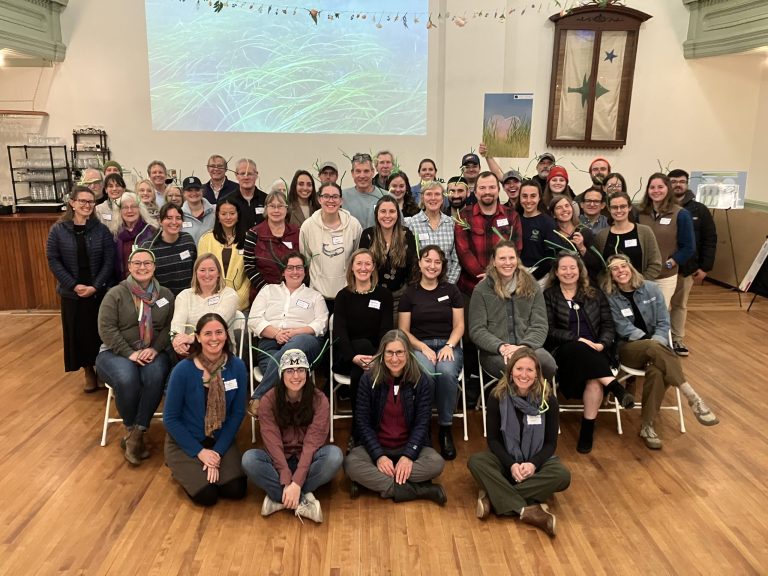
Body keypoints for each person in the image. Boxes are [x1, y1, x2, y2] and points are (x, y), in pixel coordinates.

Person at [601, 254, 719, 449]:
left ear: (631, 269)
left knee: (657, 371)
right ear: (611, 275)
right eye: (615, 269)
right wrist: (652, 343)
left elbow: (664, 322)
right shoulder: (610, 296)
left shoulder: (651, 289)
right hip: (629, 348)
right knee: (654, 349)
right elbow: (623, 328)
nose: (621, 271)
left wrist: (657, 342)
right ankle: (692, 396)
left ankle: (647, 426)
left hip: (657, 346)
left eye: (624, 266)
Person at [467, 348, 571, 537]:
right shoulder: (496, 397)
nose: (524, 375)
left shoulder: (549, 400)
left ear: (537, 373)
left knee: (562, 475)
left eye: (529, 370)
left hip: (535, 464)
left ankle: (495, 497)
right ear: (510, 371)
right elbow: (493, 440)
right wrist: (512, 464)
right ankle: (528, 510)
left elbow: (550, 444)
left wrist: (533, 464)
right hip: (506, 461)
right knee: (477, 462)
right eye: (519, 369)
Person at [543, 253, 634, 454]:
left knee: (594, 381)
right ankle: (616, 388)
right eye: (563, 268)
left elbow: (608, 325)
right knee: (577, 347)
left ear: (580, 270)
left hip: (597, 352)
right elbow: (548, 330)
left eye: (572, 267)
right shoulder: (549, 296)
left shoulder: (594, 293)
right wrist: (576, 339)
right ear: (556, 273)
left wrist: (602, 343)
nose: (569, 272)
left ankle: (587, 428)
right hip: (565, 351)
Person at [344, 330, 447, 505]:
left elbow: (422, 424)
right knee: (351, 464)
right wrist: (378, 456)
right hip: (376, 448)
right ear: (382, 354)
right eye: (389, 353)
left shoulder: (421, 380)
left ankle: (377, 484)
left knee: (436, 463)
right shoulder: (368, 379)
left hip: (408, 447)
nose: (394, 358)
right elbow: (362, 423)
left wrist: (408, 456)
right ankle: (420, 490)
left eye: (400, 352)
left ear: (408, 353)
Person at [242, 349, 343, 523]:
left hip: (308, 459)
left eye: (300, 370)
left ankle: (280, 498)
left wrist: (296, 483)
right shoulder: (268, 400)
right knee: (249, 459)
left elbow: (312, 444)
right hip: (278, 460)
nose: (295, 376)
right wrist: (287, 478)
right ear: (281, 374)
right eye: (290, 370)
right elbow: (272, 443)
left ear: (307, 372)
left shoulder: (320, 400)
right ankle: (302, 501)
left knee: (334, 456)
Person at [96, 247, 174, 465]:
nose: (142, 267)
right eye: (137, 263)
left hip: (152, 352)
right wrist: (130, 353)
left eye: (147, 263)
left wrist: (155, 349)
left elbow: (170, 328)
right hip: (115, 353)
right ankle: (132, 429)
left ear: (154, 267)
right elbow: (106, 329)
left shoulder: (165, 295)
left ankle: (137, 433)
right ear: (129, 267)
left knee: (155, 376)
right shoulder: (116, 294)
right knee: (127, 379)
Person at [163, 313, 248, 506]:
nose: (214, 338)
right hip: (186, 440)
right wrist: (200, 452)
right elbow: (170, 419)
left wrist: (216, 452)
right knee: (207, 496)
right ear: (198, 337)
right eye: (207, 333)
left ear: (226, 335)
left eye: (219, 332)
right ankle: (178, 463)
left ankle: (207, 465)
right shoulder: (182, 370)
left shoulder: (237, 367)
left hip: (219, 438)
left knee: (236, 489)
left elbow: (237, 414)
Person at [398, 245, 464, 460]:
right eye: (428, 261)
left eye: (437, 262)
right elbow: (403, 331)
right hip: (420, 345)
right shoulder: (410, 293)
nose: (432, 266)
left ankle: (445, 427)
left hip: (448, 344)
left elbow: (459, 326)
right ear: (419, 263)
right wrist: (423, 347)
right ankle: (423, 426)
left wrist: (449, 346)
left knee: (445, 373)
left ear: (442, 265)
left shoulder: (451, 290)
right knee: (426, 374)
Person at [46, 186, 114, 392]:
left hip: (97, 290)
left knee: (99, 333)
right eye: (82, 201)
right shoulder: (58, 230)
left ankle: (102, 370)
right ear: (72, 203)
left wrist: (95, 286)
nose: (86, 205)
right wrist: (74, 285)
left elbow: (108, 259)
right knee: (79, 334)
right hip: (72, 293)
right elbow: (53, 259)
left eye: (90, 202)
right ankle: (88, 371)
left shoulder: (100, 229)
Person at [247, 252, 328, 414]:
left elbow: (322, 324)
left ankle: (258, 397)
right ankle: (290, 419)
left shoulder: (315, 296)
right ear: (283, 272)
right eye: (290, 268)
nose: (295, 272)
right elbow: (254, 319)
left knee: (292, 350)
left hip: (304, 343)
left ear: (305, 272)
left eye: (299, 268)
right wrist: (276, 333)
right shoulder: (268, 291)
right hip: (269, 342)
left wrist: (296, 332)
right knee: (280, 370)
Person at [469, 241, 557, 383]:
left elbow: (540, 324)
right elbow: (477, 329)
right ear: (494, 262)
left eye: (511, 258)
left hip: (529, 347)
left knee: (547, 364)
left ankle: (533, 403)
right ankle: (520, 404)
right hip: (496, 352)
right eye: (502, 258)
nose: (507, 263)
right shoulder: (482, 289)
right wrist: (502, 347)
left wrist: (524, 347)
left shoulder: (532, 285)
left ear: (517, 260)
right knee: (517, 368)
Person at [332, 249, 394, 440]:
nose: (363, 268)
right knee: (362, 346)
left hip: (377, 357)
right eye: (359, 263)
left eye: (367, 264)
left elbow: (386, 330)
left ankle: (359, 430)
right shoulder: (343, 296)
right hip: (347, 357)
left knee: (365, 355)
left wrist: (377, 356)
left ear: (373, 267)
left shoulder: (383, 295)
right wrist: (354, 357)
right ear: (352, 267)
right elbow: (340, 333)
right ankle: (371, 426)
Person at [668, 169, 718, 356]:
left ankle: (677, 339)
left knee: (680, 304)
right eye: (673, 181)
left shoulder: (699, 210)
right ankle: (660, 339)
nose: (678, 185)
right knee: (661, 305)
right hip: (662, 268)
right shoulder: (659, 208)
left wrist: (705, 266)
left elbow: (710, 238)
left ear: (687, 184)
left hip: (686, 267)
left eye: (682, 181)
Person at [299, 182, 362, 313]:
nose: (330, 200)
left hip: (347, 293)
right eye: (326, 196)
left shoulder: (353, 225)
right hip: (317, 295)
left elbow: (357, 256)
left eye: (335, 197)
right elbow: (306, 258)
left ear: (341, 200)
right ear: (319, 199)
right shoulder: (308, 226)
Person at [637, 172, 696, 307]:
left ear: (668, 189)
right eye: (652, 187)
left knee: (660, 315)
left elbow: (689, 247)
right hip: (641, 274)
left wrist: (671, 263)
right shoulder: (640, 213)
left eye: (660, 187)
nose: (656, 191)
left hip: (665, 276)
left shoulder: (681, 214)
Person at [170, 254, 240, 358]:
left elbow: (215, 324)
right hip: (190, 350)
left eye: (211, 270)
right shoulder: (184, 296)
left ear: (219, 273)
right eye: (202, 270)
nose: (207, 275)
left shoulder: (229, 295)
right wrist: (177, 340)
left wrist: (192, 338)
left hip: (219, 347)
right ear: (195, 273)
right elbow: (177, 324)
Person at [359, 196, 417, 319]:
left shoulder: (406, 234)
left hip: (401, 296)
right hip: (373, 296)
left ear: (397, 214)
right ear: (376, 214)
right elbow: (362, 267)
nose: (387, 215)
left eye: (392, 211)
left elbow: (413, 268)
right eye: (383, 211)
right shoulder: (368, 235)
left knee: (398, 335)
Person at [243, 190, 300, 302]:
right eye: (272, 206)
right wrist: (267, 291)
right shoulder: (253, 233)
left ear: (286, 209)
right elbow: (249, 266)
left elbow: (303, 263)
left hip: (293, 294)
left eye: (280, 206)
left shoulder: (297, 233)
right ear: (266, 209)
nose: (276, 210)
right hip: (263, 295)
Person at [594, 191, 662, 281]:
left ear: (629, 207)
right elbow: (599, 267)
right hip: (612, 291)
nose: (619, 210)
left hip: (640, 287)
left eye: (623, 206)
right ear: (609, 209)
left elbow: (655, 264)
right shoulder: (601, 236)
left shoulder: (645, 232)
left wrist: (639, 282)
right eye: (614, 207)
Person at [197, 198, 250, 310]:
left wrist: (238, 299)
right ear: (218, 216)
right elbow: (201, 272)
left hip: (240, 302)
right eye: (224, 213)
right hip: (210, 302)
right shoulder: (206, 239)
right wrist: (213, 299)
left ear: (238, 215)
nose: (228, 217)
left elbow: (249, 274)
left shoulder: (248, 239)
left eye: (232, 213)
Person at [404, 181, 460, 284]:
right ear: (422, 198)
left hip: (447, 284)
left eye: (437, 194)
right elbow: (409, 259)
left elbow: (456, 259)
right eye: (429, 194)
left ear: (443, 198)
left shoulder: (452, 224)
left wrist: (449, 285)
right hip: (420, 286)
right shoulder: (411, 224)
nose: (433, 198)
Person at [142, 203, 197, 296]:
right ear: (160, 221)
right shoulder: (149, 247)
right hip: (162, 300)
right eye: (169, 218)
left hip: (187, 298)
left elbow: (195, 270)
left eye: (178, 218)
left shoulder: (188, 240)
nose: (174, 222)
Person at [549, 194, 602, 281]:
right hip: (561, 281)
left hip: (586, 282)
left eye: (567, 206)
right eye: (559, 207)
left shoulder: (585, 232)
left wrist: (582, 248)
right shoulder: (552, 235)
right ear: (553, 214)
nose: (564, 209)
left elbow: (597, 265)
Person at [517, 179, 559, 281]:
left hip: (539, 276)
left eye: (533, 196)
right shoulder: (515, 219)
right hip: (516, 272)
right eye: (524, 196)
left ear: (539, 197)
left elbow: (551, 257)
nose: (528, 200)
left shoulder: (547, 222)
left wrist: (532, 278)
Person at [113, 192, 155, 281]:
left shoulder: (152, 231)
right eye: (125, 207)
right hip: (124, 284)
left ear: (140, 209)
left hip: (150, 282)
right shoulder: (115, 235)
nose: (129, 210)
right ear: (119, 211)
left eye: (133, 206)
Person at [342, 152, 386, 229]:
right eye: (358, 171)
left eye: (366, 171)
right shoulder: (342, 196)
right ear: (352, 173)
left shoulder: (385, 197)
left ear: (372, 172)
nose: (362, 176)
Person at [230, 158, 267, 231]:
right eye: (242, 173)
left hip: (261, 242)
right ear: (236, 175)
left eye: (250, 174)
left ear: (256, 175)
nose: (246, 177)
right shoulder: (227, 201)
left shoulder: (267, 199)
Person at [181, 176, 216, 244]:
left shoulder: (215, 211)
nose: (194, 193)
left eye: (197, 189)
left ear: (202, 191)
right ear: (183, 193)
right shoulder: (179, 215)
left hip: (212, 253)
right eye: (189, 190)